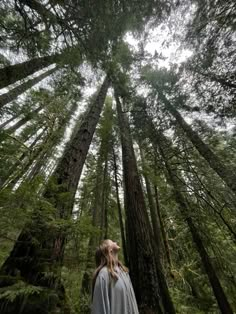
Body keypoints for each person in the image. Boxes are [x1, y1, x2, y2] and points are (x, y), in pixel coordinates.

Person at [91, 239, 139, 314]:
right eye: (112, 242)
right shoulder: (103, 276)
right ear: (109, 250)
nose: (115, 242)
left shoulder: (124, 272)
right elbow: (99, 309)